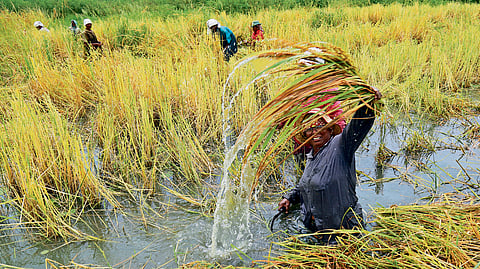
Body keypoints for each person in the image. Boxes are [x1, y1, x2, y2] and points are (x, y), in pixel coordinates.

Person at [278, 87, 382, 243]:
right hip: (316, 231)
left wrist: (367, 104)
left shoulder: (341, 146)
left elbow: (358, 126)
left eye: (319, 126)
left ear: (329, 128)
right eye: (309, 128)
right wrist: (290, 198)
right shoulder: (311, 156)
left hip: (343, 233)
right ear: (305, 134)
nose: (315, 132)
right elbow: (305, 186)